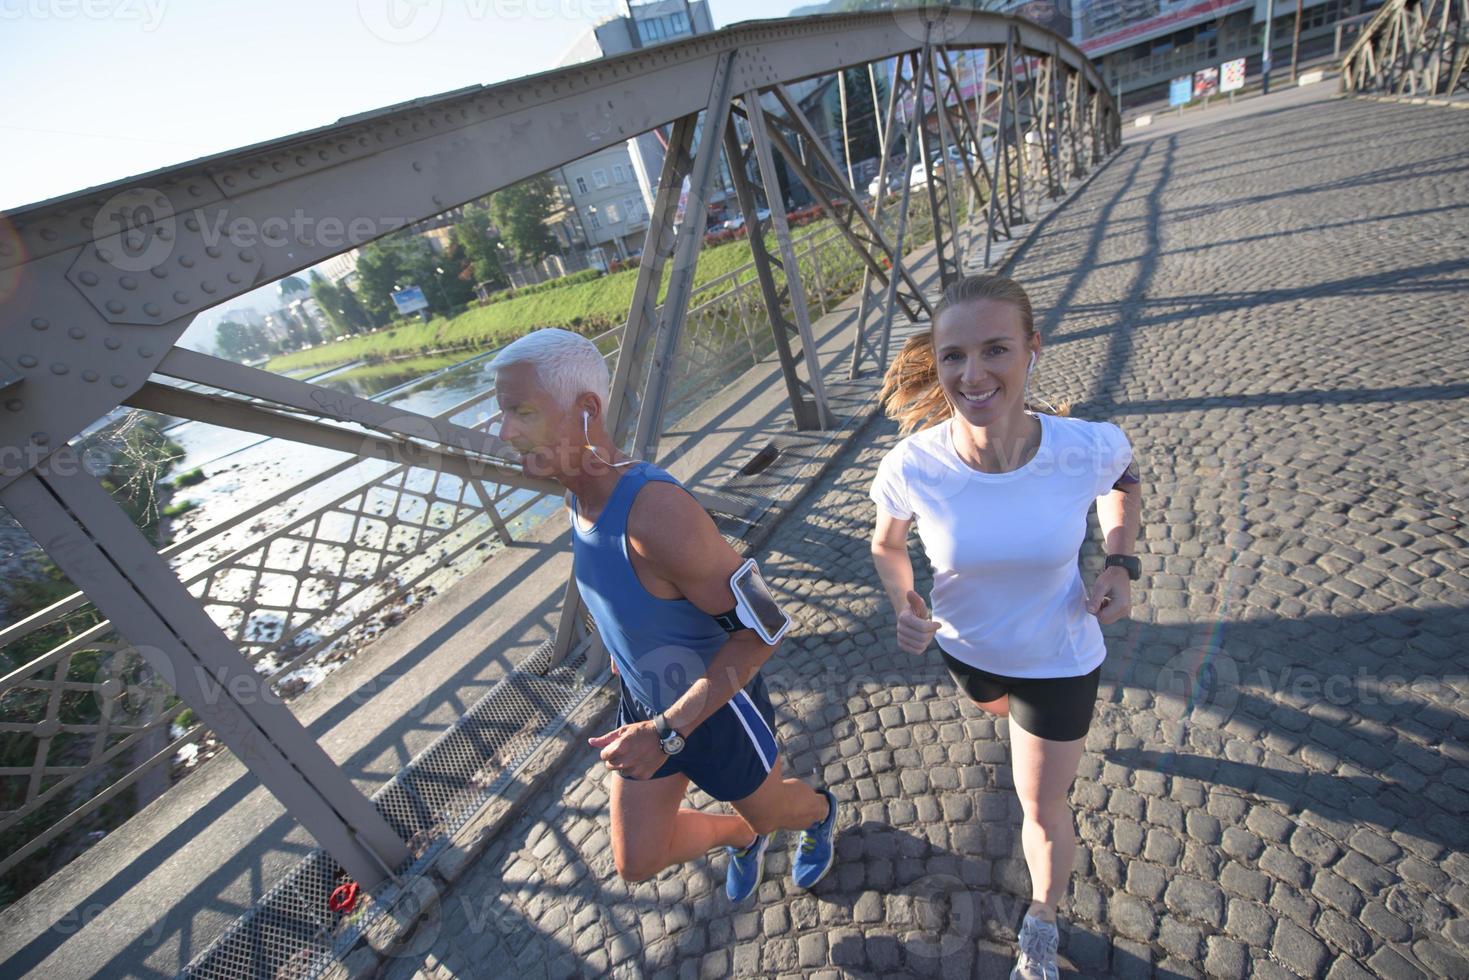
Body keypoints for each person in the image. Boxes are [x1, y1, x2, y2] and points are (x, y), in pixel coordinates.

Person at [490, 327, 838, 903]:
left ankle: (820, 813)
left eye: (521, 411)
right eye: (503, 413)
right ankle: (742, 837)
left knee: (775, 810)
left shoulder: (657, 515)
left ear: (585, 411)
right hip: (648, 705)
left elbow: (765, 630)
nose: (505, 432)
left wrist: (669, 728)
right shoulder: (578, 490)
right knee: (637, 860)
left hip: (714, 711)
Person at [867, 275, 1141, 980]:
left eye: (995, 349)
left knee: (1040, 801)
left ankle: (1041, 922)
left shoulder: (1081, 447)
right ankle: (1033, 731)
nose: (973, 373)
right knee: (1000, 710)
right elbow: (886, 544)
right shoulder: (913, 465)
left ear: (1031, 350)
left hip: (1060, 657)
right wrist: (904, 603)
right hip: (968, 653)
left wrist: (1118, 564)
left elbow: (1123, 480)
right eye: (954, 355)